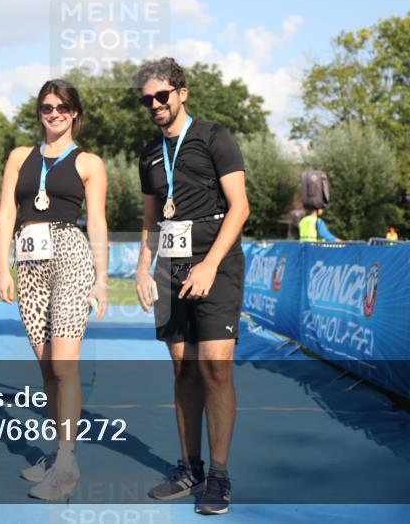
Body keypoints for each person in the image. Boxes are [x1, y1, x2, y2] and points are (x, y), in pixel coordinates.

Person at [133, 58, 249, 516]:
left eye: (163, 95)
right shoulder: (148, 154)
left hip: (215, 265)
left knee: (215, 367)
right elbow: (151, 220)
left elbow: (239, 208)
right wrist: (144, 268)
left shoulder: (214, 137)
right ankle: (190, 467)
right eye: (147, 100)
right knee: (183, 369)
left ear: (182, 93)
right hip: (171, 270)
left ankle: (219, 476)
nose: (156, 105)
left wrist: (209, 265)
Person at [0, 79, 108, 501]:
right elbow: (7, 209)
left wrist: (101, 277)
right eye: (47, 107)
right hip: (28, 262)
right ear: (39, 112)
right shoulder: (20, 157)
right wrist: (2, 265)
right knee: (47, 367)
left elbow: (96, 221)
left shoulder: (89, 163)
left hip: (70, 256)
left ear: (75, 112)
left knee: (64, 364)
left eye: (63, 107)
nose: (54, 114)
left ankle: (65, 464)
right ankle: (61, 450)